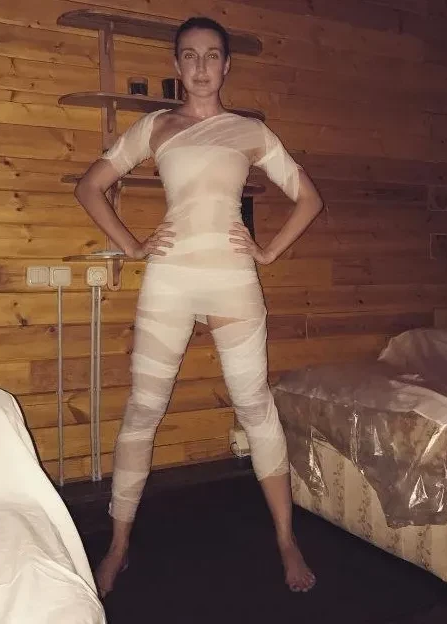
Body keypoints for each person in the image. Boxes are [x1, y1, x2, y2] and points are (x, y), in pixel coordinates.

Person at [74, 16, 324, 597]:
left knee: (255, 405)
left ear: (226, 65)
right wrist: (133, 246)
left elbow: (309, 198)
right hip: (170, 278)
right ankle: (118, 547)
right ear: (177, 65)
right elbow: (90, 186)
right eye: (190, 55)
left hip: (232, 278)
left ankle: (286, 539)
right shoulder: (156, 127)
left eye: (212, 55)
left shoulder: (251, 132)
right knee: (143, 409)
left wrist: (267, 251)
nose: (202, 66)